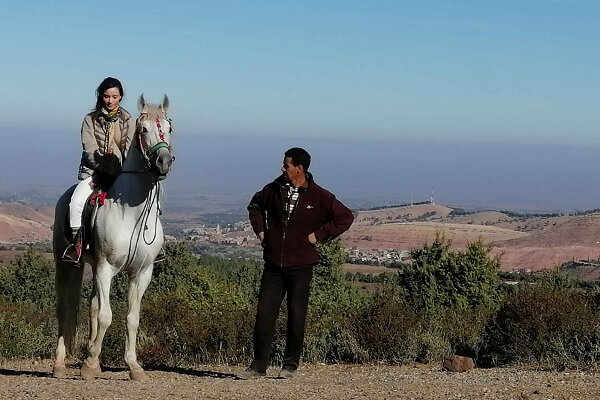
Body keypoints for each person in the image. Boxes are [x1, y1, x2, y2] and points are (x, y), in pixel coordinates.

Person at [241, 147, 354, 379]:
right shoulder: (272, 189)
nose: (283, 169)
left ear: (299, 169)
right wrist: (262, 232)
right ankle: (258, 365)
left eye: (286, 165)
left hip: (301, 266)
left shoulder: (320, 196)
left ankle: (290, 365)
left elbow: (345, 217)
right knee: (264, 314)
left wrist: (318, 236)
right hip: (273, 264)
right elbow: (255, 206)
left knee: (296, 314)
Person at [62, 77, 136, 264]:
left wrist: (121, 171)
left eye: (114, 96)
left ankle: (148, 246)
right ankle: (76, 246)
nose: (110, 101)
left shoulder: (128, 120)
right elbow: (89, 149)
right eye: (106, 96)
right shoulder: (90, 120)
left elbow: (128, 149)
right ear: (100, 96)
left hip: (121, 174)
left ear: (121, 97)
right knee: (76, 202)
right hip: (94, 172)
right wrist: (104, 170)